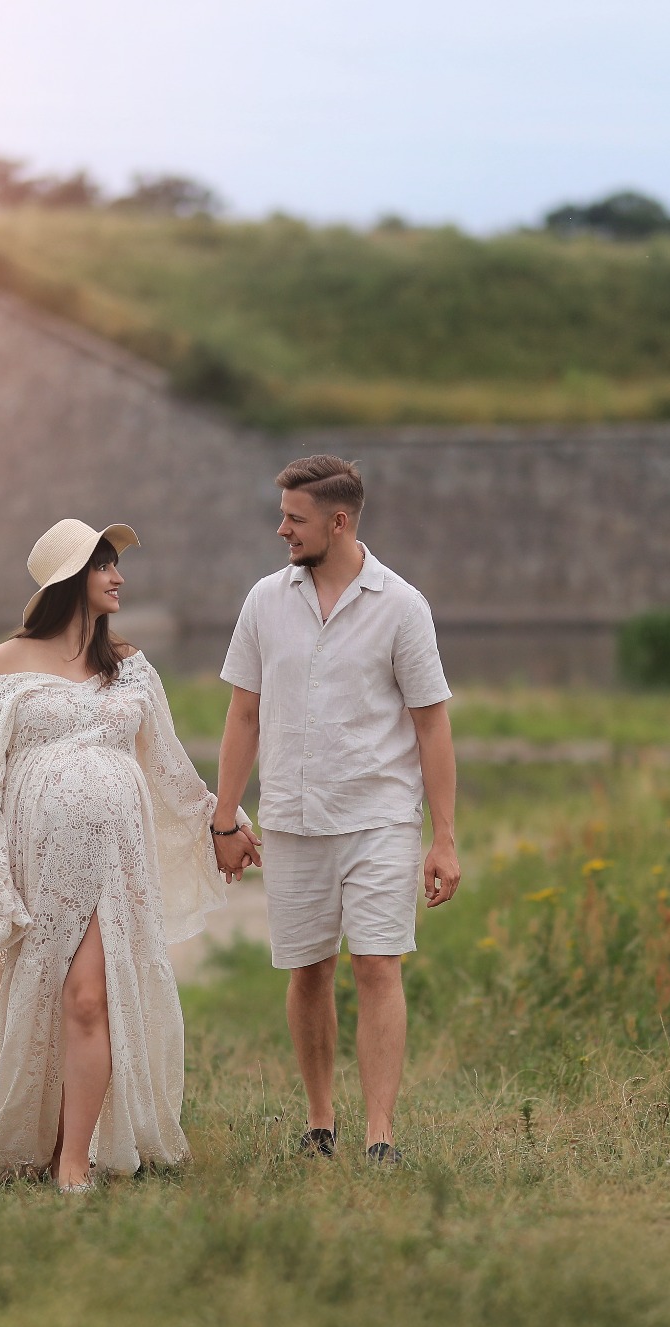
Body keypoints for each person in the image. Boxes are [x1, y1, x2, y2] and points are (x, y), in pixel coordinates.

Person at [0, 518, 238, 1190]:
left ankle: (73, 1162)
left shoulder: (131, 666)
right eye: (104, 565)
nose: (118, 577)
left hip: (115, 864)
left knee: (91, 997)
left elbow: (169, 765)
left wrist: (220, 823)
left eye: (117, 564)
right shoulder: (7, 662)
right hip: (40, 864)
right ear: (70, 579)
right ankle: (37, 1137)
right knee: (45, 998)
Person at [212, 456, 460, 1166]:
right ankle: (321, 1122)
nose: (281, 528)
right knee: (308, 971)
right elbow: (245, 713)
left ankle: (380, 1132)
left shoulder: (401, 605)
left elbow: (432, 723)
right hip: (290, 818)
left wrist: (443, 838)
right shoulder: (264, 601)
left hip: (379, 816)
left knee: (378, 965)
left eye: (294, 517)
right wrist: (225, 817)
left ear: (338, 522)